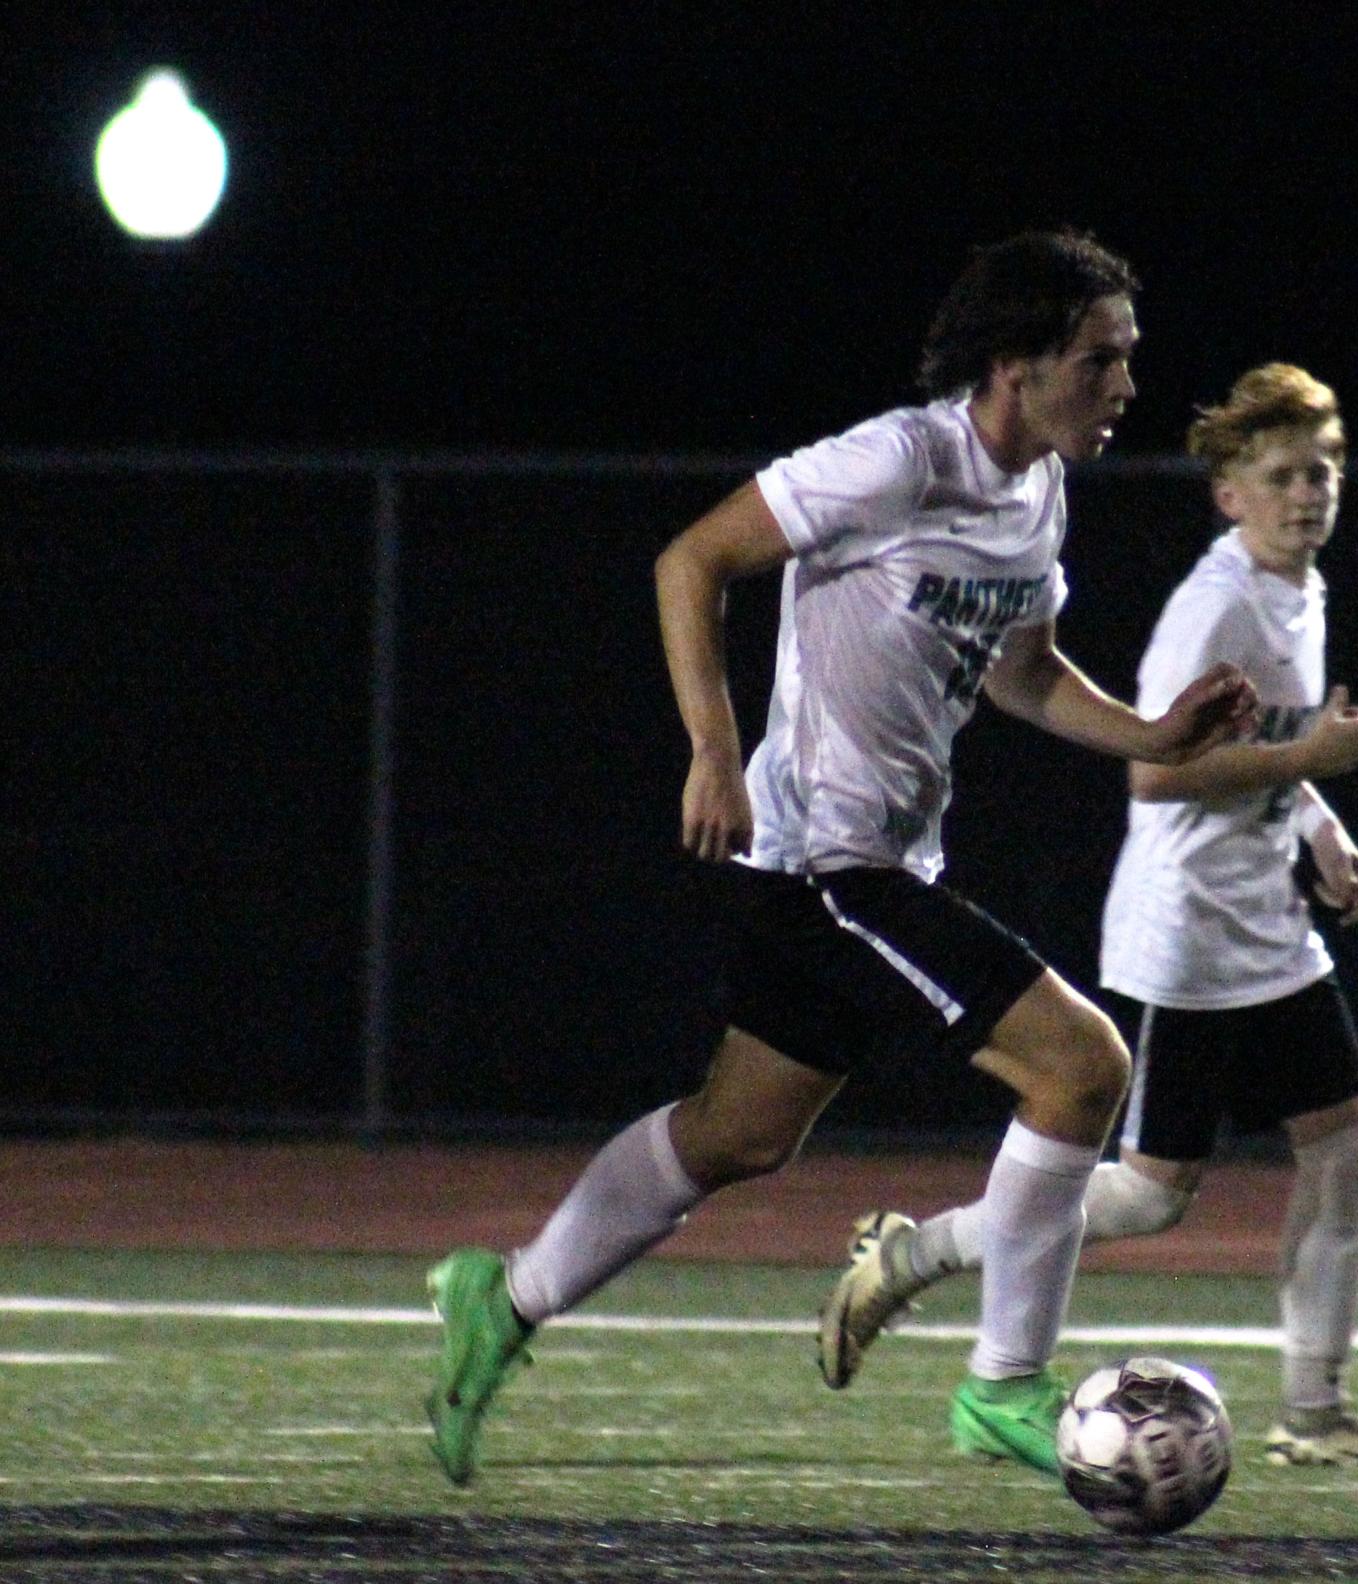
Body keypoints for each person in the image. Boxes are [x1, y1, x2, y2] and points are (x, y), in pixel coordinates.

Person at [423, 228, 1258, 1487]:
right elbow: (691, 559)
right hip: (824, 866)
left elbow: (1023, 674)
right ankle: (1004, 1388)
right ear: (1018, 365)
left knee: (738, 1134)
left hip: (866, 871)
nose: (1128, 386)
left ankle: (510, 1296)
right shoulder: (897, 460)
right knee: (1083, 1069)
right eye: (1104, 359)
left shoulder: (1037, 496)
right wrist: (713, 750)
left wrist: (1151, 733)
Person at [820, 363, 1358, 1470]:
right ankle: (917, 1254)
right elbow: (1156, 776)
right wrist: (1307, 760)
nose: (1311, 493)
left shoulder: (1299, 587)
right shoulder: (1216, 603)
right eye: (1285, 475)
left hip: (1269, 933)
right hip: (1189, 945)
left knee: (1349, 1152)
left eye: (1326, 471)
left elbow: (1268, 745)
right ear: (1230, 494)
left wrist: (1317, 824)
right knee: (1152, 1199)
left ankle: (1317, 1416)